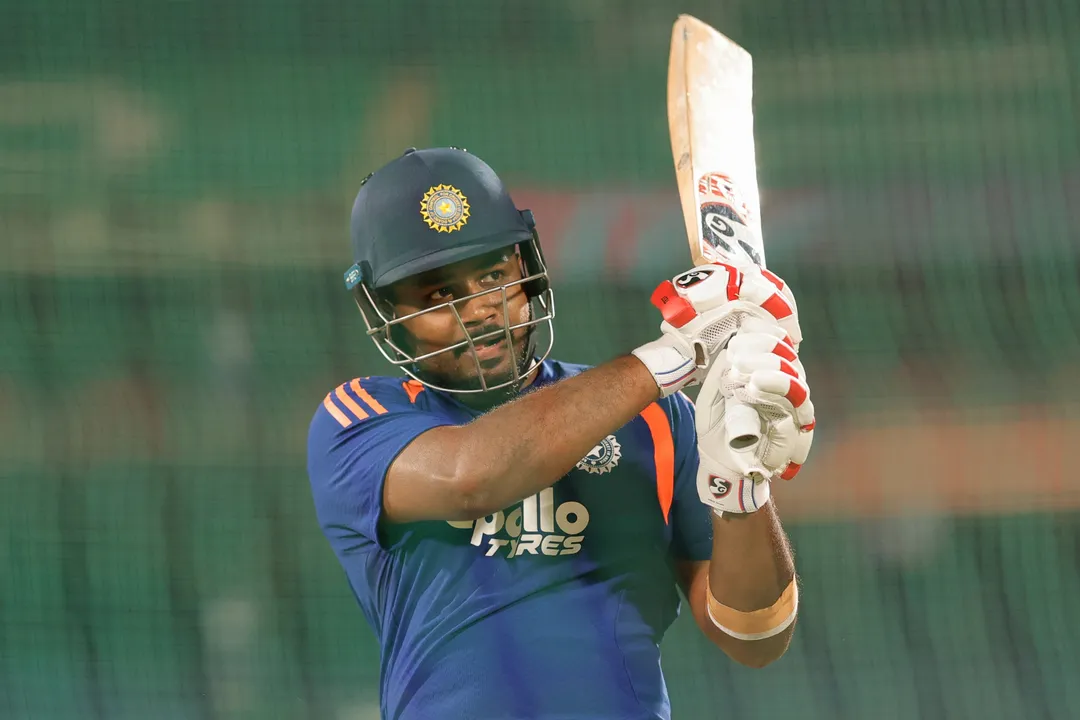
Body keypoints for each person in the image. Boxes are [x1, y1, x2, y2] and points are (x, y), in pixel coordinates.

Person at [307, 147, 816, 720]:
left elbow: (754, 638)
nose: (479, 310)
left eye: (493, 276)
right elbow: (468, 477)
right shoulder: (360, 419)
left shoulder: (658, 417)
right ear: (383, 312)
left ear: (526, 268)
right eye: (438, 296)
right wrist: (673, 356)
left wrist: (740, 486)